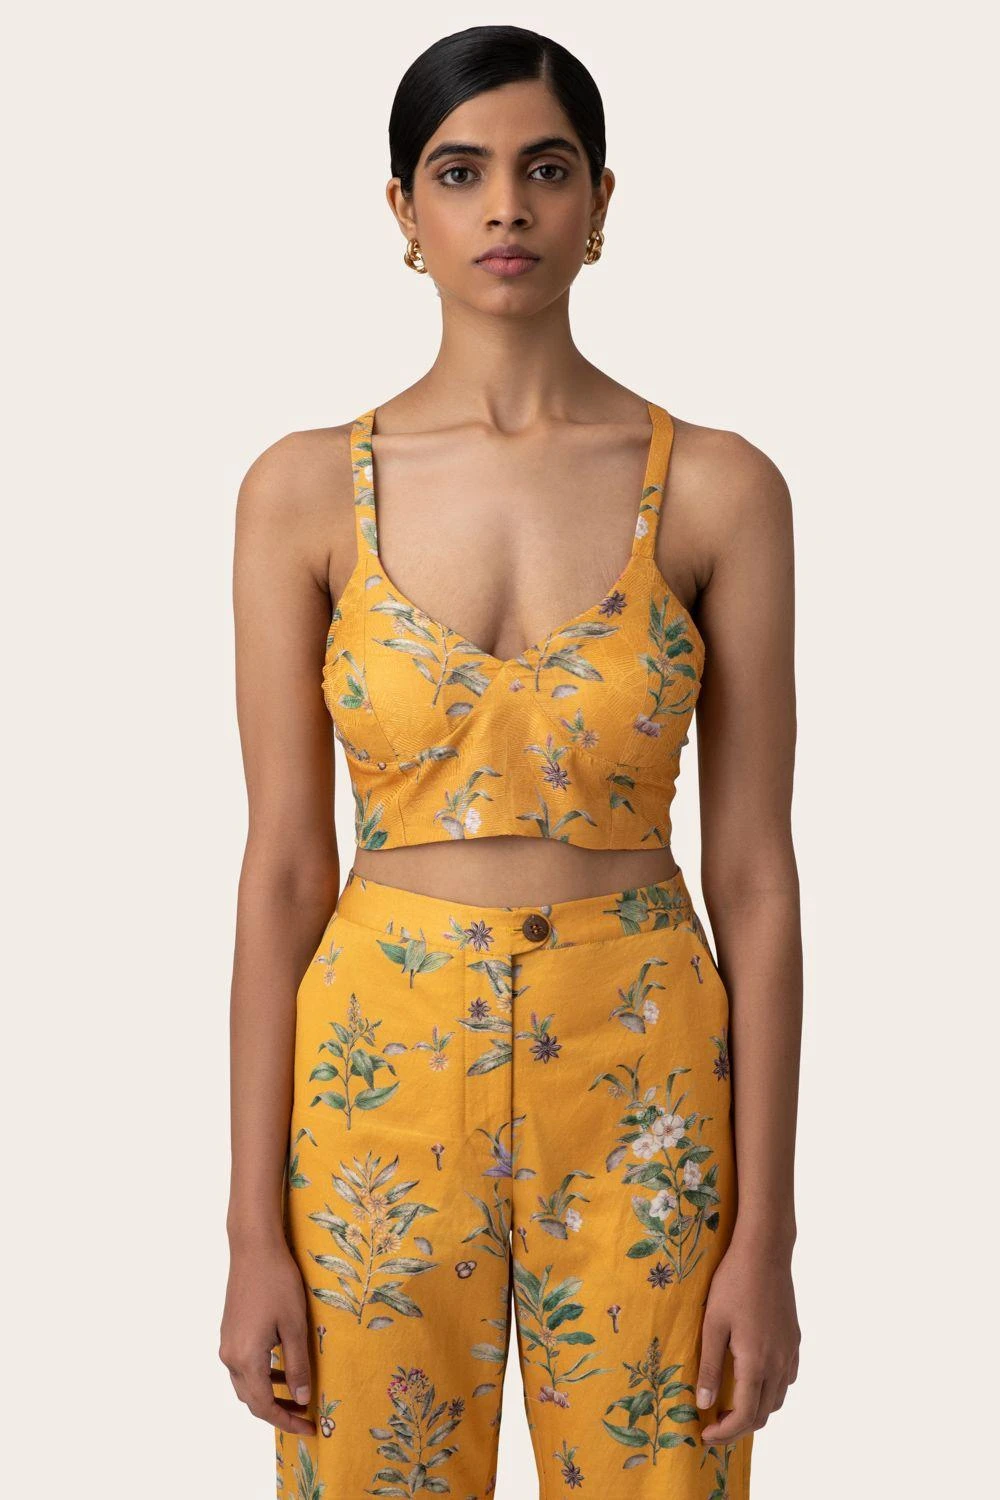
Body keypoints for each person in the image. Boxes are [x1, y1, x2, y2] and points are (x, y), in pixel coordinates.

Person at [220, 24, 801, 1500]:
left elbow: (755, 877)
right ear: (402, 209)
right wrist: (248, 1234)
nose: (505, 207)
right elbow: (283, 870)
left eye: (546, 169)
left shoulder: (719, 488)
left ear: (601, 201)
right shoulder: (304, 491)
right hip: (377, 1083)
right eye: (459, 171)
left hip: (647, 1085)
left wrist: (767, 1237)